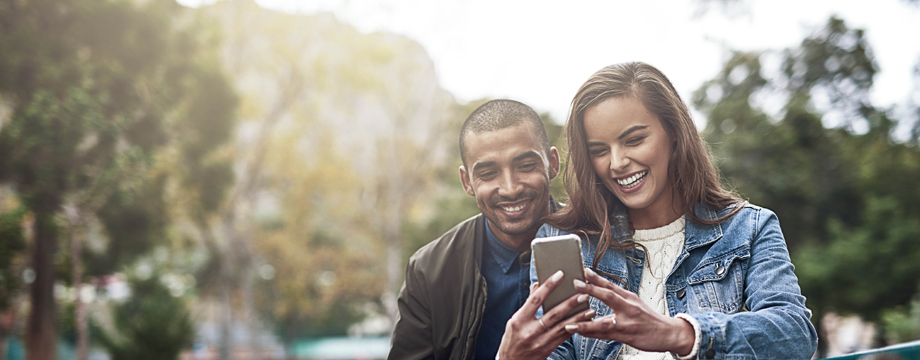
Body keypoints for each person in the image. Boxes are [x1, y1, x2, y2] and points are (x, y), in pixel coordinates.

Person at [526, 62, 819, 359]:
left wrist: (679, 334)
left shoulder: (748, 228)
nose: (616, 163)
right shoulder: (562, 241)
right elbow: (553, 351)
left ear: (674, 132)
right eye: (599, 150)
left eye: (634, 140)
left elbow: (795, 334)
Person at [388, 99, 590, 360]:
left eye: (526, 166)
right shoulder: (429, 271)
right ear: (467, 181)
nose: (510, 188)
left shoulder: (603, 244)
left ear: (552, 163)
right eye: (488, 173)